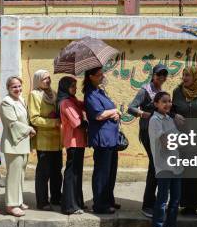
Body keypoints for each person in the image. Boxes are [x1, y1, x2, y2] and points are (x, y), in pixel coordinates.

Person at [170, 66, 197, 218]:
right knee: (187, 172)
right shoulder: (177, 92)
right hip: (183, 139)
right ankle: (188, 205)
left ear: (195, 76)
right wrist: (174, 115)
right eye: (183, 75)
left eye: (187, 75)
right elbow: (170, 109)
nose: (184, 78)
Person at [128, 64, 168, 218]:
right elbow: (131, 108)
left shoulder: (161, 92)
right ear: (153, 75)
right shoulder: (145, 90)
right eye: (159, 75)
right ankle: (147, 205)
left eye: (164, 75)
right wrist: (142, 113)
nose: (161, 78)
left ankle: (152, 200)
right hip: (147, 132)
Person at [146, 91, 185, 227]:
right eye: (164, 101)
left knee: (175, 201)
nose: (168, 104)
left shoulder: (169, 119)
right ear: (156, 104)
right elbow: (167, 143)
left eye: (169, 101)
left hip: (176, 165)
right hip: (164, 166)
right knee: (162, 201)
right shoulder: (155, 120)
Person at [84, 67, 120, 214]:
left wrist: (115, 115)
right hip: (102, 139)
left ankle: (109, 200)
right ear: (91, 76)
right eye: (99, 75)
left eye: (102, 74)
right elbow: (98, 115)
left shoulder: (100, 91)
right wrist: (115, 111)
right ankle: (100, 204)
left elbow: (109, 111)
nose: (102, 76)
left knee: (111, 172)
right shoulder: (90, 94)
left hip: (111, 138)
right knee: (102, 173)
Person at [0, 76, 35, 217]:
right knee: (13, 175)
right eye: (14, 87)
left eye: (19, 86)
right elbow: (12, 123)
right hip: (13, 144)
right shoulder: (6, 102)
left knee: (20, 174)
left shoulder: (20, 99)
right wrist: (29, 129)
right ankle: (11, 205)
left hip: (22, 142)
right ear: (8, 88)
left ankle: (18, 200)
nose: (18, 89)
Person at [28, 69, 62, 210]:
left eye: (48, 78)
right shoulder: (34, 95)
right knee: (43, 172)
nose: (48, 81)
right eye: (44, 79)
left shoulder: (53, 94)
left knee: (57, 171)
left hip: (57, 139)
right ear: (38, 80)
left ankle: (56, 198)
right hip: (44, 139)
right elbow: (34, 118)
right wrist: (53, 122)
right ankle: (42, 201)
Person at [57, 76, 88, 215]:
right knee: (71, 174)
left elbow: (85, 105)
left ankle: (77, 202)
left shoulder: (72, 100)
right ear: (65, 87)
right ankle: (69, 206)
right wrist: (89, 122)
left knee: (77, 173)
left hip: (79, 141)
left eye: (75, 86)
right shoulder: (65, 103)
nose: (75, 89)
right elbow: (77, 123)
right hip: (73, 142)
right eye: (72, 86)